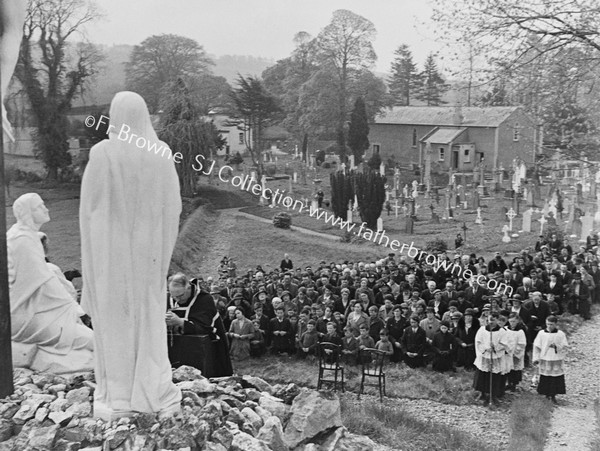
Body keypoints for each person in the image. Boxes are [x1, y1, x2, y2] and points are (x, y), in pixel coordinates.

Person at [7, 193, 94, 373]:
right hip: (30, 318)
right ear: (28, 212)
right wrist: (75, 308)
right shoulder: (22, 240)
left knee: (93, 342)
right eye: (40, 206)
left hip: (38, 312)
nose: (46, 208)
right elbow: (43, 282)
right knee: (94, 342)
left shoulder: (24, 236)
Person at [166, 274, 233, 378]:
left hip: (205, 350)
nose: (177, 300)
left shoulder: (204, 299)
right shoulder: (170, 298)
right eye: (173, 296)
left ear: (188, 287)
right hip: (175, 349)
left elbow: (205, 328)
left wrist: (180, 322)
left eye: (180, 296)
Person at [473, 312, 509, 406]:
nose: (491, 322)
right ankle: (482, 393)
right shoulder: (482, 330)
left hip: (495, 356)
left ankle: (493, 395)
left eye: (493, 320)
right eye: (489, 320)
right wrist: (485, 348)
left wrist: (495, 347)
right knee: (482, 374)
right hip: (485, 355)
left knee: (494, 376)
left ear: (497, 320)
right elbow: (478, 342)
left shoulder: (502, 332)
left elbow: (504, 344)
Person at [533, 316, 568, 404]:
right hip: (545, 358)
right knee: (545, 377)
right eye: (548, 324)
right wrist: (536, 358)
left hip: (556, 358)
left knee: (555, 378)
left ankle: (553, 395)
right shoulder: (541, 333)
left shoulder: (560, 334)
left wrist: (556, 346)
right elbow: (537, 346)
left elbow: (565, 346)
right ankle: (546, 394)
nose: (549, 326)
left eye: (551, 324)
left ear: (556, 324)